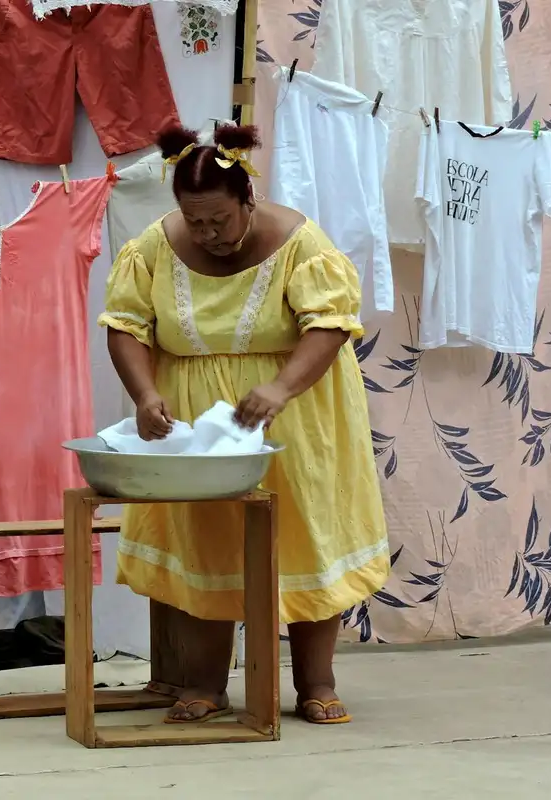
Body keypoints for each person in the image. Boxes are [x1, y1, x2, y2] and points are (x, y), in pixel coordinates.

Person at [98, 123, 391, 724]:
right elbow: (125, 325)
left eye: (220, 221)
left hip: (297, 414)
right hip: (201, 424)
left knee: (304, 530)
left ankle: (316, 682)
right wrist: (146, 391)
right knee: (207, 536)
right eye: (195, 222)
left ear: (247, 201)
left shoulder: (301, 244)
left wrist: (281, 387)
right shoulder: (153, 247)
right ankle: (204, 683)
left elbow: (331, 324)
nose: (208, 234)